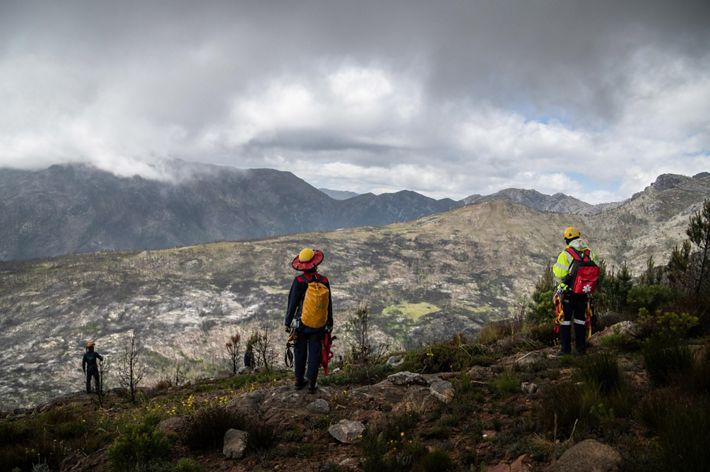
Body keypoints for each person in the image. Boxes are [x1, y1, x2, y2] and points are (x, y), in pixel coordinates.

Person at [284, 247, 333, 393]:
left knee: (299, 351)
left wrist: (287, 322)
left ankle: (299, 381)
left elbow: (292, 303)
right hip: (319, 324)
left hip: (301, 324)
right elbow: (328, 304)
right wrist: (329, 322)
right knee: (315, 352)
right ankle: (312, 383)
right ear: (315, 263)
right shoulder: (324, 280)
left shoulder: (299, 281)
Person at [552, 227, 599, 355]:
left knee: (565, 321)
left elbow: (559, 273)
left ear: (567, 239)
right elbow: (597, 268)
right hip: (584, 293)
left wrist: (555, 268)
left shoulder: (565, 254)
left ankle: (565, 351)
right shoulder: (590, 253)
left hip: (568, 293)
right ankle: (581, 349)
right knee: (580, 320)